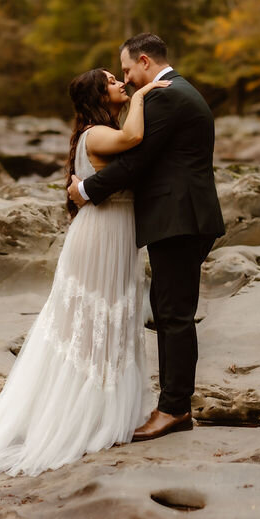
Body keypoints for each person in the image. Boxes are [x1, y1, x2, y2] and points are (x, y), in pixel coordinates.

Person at [0, 68, 169, 477]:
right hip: (100, 236)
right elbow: (134, 139)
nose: (122, 83)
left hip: (113, 231)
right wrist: (141, 96)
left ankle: (102, 407)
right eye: (113, 81)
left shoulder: (97, 131)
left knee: (110, 317)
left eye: (122, 79)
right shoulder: (97, 133)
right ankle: (81, 413)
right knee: (92, 320)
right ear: (99, 94)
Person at [69, 32, 225, 442]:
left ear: (143, 61)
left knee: (173, 314)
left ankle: (174, 409)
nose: (126, 79)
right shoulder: (175, 91)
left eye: (125, 70)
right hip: (183, 217)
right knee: (171, 309)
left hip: (180, 219)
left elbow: (136, 162)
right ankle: (173, 404)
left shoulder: (166, 95)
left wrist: (85, 190)